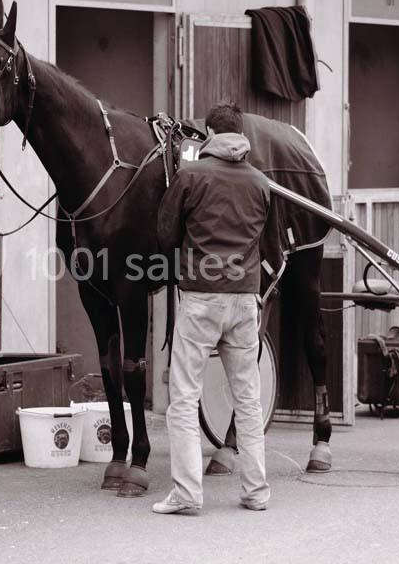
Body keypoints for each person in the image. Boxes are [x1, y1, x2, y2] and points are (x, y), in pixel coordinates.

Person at [153, 101, 271, 514]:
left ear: (209, 134)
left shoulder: (190, 176)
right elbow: (266, 239)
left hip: (201, 298)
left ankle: (187, 494)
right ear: (240, 135)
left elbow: (165, 235)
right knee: (248, 400)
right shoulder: (260, 182)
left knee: (184, 398)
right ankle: (256, 491)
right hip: (244, 300)